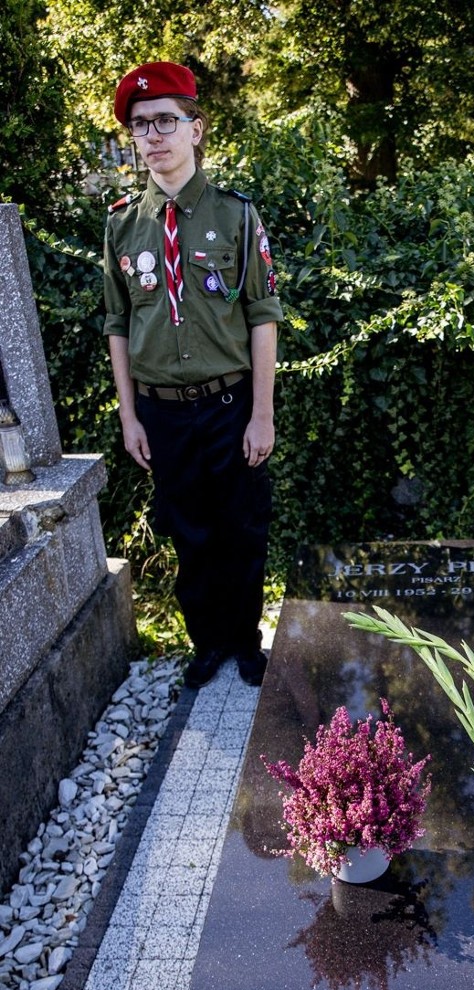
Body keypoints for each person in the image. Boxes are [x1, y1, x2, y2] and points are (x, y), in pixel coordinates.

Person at [104, 62, 283, 688]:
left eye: (165, 122)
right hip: (163, 409)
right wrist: (129, 416)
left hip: (230, 402)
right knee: (189, 529)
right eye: (140, 125)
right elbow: (118, 323)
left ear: (195, 129)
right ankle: (206, 643)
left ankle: (245, 639)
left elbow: (262, 315)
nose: (152, 135)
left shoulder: (236, 216)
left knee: (242, 525)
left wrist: (262, 413)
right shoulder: (124, 223)